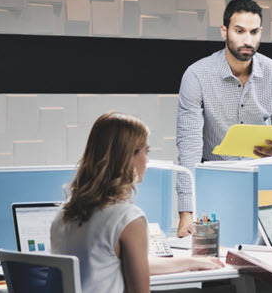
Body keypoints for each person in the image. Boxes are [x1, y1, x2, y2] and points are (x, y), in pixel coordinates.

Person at [51, 112, 224, 293]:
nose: (147, 160)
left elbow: (122, 264)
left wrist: (192, 262)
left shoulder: (64, 213)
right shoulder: (128, 218)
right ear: (128, 157)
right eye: (145, 151)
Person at [176, 0, 272, 237]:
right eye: (239, 31)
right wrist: (186, 213)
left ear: (261, 32)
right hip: (213, 186)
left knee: (269, 261)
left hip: (262, 185)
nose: (247, 40)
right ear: (224, 31)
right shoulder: (197, 75)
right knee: (215, 266)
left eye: (253, 32)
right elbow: (189, 144)